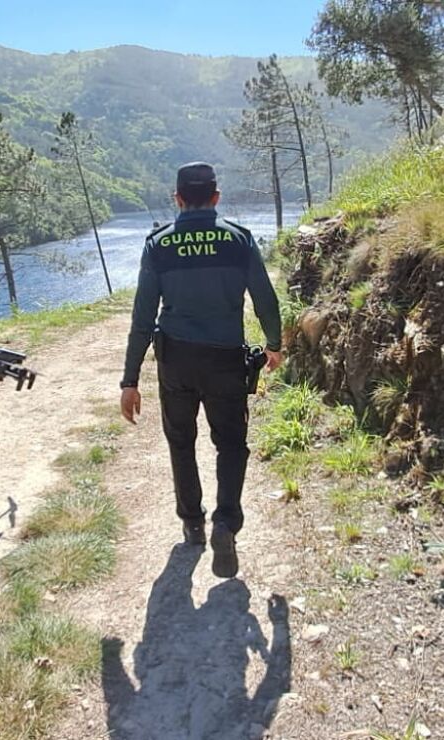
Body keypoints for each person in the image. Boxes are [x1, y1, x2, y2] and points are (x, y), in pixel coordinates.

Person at [120, 162, 283, 578]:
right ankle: (226, 521)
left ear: (177, 200)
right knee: (230, 443)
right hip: (225, 357)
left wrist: (130, 379)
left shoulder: (158, 244)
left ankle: (192, 523)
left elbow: (142, 317)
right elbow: (265, 298)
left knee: (181, 441)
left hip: (175, 358)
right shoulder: (238, 239)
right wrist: (274, 345)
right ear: (216, 198)